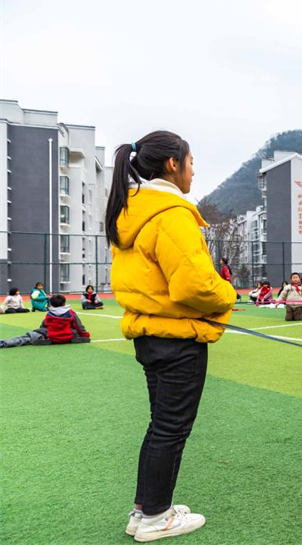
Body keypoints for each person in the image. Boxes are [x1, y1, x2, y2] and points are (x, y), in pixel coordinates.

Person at [105, 131, 236, 541]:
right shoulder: (171, 212)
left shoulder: (131, 211)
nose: (194, 171)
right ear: (173, 164)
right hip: (178, 339)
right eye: (191, 162)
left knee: (161, 426)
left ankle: (145, 511)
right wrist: (228, 295)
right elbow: (195, 286)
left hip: (150, 335)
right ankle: (156, 517)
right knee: (171, 429)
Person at [0, 294, 90, 348]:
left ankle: (4, 342)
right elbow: (79, 326)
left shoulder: (50, 313)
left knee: (27, 337)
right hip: (68, 336)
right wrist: (86, 335)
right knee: (74, 331)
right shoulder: (71, 313)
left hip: (52, 336)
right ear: (64, 303)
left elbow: (44, 325)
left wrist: (40, 332)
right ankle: (75, 338)